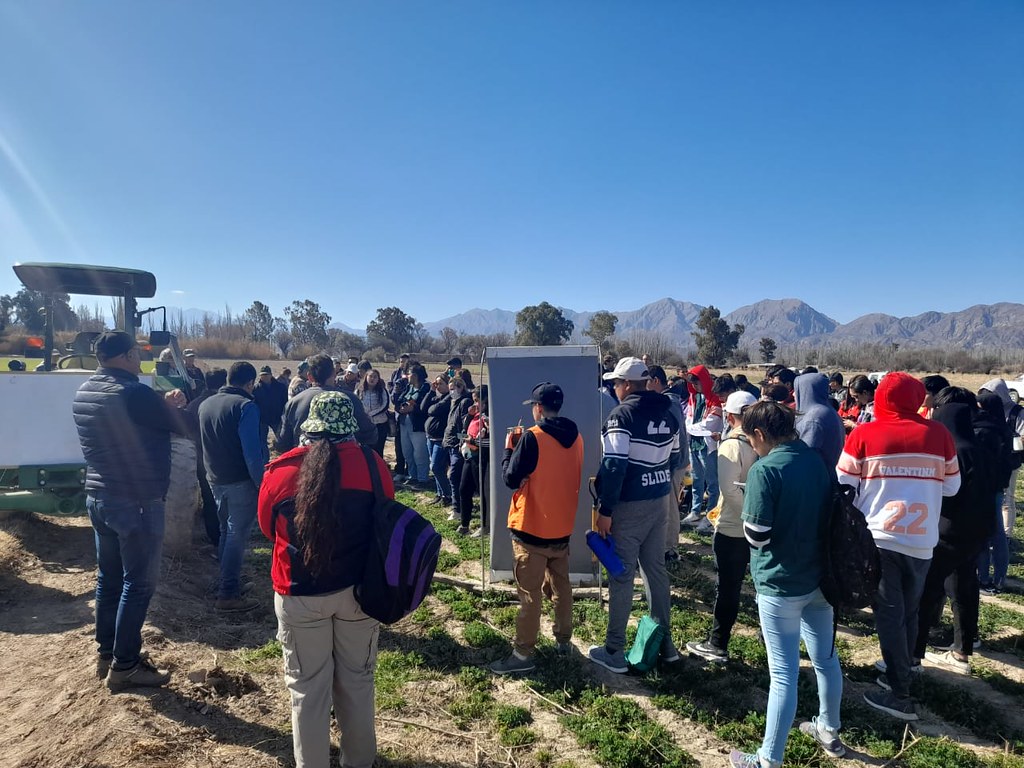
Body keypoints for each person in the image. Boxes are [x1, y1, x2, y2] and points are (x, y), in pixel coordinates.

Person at [258, 391, 392, 768]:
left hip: (300, 595)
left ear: (311, 428)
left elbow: (270, 530)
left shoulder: (281, 472)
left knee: (307, 692)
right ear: (350, 428)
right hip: (361, 593)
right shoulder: (373, 465)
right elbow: (385, 519)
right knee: (358, 684)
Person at [838, 372, 960, 721]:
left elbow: (843, 482)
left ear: (883, 400)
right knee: (908, 610)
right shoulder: (939, 435)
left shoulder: (865, 433)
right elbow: (952, 488)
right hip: (922, 540)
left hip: (880, 537)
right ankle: (902, 670)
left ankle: (899, 693)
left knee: (889, 613)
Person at [72, 331, 187, 690]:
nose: (140, 360)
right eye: (136, 354)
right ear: (126, 356)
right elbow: (180, 427)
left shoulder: (85, 391)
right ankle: (125, 665)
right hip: (136, 501)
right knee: (138, 584)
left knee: (108, 578)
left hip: (99, 497)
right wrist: (175, 406)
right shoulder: (133, 392)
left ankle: (106, 653)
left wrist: (160, 403)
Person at [729, 401, 841, 768]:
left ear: (760, 435)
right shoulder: (815, 459)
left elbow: (758, 536)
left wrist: (750, 501)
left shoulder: (765, 470)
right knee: (825, 659)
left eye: (750, 440)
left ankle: (768, 758)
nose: (752, 447)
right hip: (821, 580)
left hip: (780, 584)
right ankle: (829, 727)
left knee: (783, 675)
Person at [590, 357, 681, 673]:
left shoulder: (622, 415)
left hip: (629, 506)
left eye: (615, 382)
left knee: (622, 574)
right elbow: (674, 457)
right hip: (659, 501)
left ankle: (614, 650)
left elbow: (614, 465)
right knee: (655, 573)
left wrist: (605, 509)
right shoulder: (669, 412)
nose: (613, 388)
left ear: (627, 385)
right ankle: (666, 647)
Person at [490, 383, 584, 674]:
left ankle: (522, 654)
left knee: (530, 594)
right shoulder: (577, 436)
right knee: (561, 587)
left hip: (531, 527)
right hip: (561, 527)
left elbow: (510, 478)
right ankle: (564, 641)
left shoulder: (533, 437)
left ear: (539, 408)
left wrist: (510, 449)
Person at [913, 388, 1000, 674]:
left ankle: (912, 657)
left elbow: (946, 496)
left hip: (948, 533)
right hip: (978, 532)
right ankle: (962, 650)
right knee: (964, 586)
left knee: (927, 592)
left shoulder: (954, 452)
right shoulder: (979, 448)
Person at [687, 390, 757, 663]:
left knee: (728, 587)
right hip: (760, 529)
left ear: (730, 415)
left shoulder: (731, 446)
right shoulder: (762, 441)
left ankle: (718, 643)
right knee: (761, 588)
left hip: (733, 527)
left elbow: (729, 491)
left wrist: (749, 517)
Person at [199, 361, 267, 612]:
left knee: (227, 534)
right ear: (250, 383)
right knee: (236, 536)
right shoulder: (245, 406)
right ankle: (227, 595)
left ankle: (228, 582)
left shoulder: (206, 404)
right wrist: (262, 483)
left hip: (215, 479)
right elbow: (252, 452)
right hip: (240, 481)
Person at [279, 354, 377, 452]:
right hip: (344, 461)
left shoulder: (293, 403)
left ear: (309, 376)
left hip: (305, 461)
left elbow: (284, 443)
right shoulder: (350, 399)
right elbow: (370, 435)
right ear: (334, 373)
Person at [976, 389, 1017, 594]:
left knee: (985, 535)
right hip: (999, 486)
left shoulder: (983, 430)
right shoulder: (1005, 429)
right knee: (998, 534)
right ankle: (1000, 577)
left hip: (984, 488)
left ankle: (983, 578)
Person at [647, 365, 690, 561]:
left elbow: (674, 436)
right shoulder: (670, 400)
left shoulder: (668, 403)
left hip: (674, 462)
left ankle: (670, 549)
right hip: (675, 461)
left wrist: (671, 463)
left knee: (671, 505)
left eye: (647, 382)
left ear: (655, 380)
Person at [185, 367, 228, 547]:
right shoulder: (222, 404)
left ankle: (214, 536)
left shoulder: (194, 404)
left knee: (209, 497)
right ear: (224, 382)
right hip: (220, 459)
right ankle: (223, 536)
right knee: (223, 499)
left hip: (199, 457)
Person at [682, 365, 722, 529]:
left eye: (698, 383)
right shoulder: (694, 397)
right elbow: (689, 419)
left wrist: (688, 429)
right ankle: (695, 511)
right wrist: (689, 429)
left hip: (708, 446)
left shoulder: (715, 399)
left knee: (712, 482)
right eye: (693, 384)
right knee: (696, 479)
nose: (696, 387)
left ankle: (711, 515)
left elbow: (709, 425)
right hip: (694, 444)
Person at [458, 385, 491, 536]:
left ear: (485, 400)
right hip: (469, 456)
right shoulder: (475, 414)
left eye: (477, 400)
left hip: (481, 458)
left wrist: (474, 442)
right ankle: (465, 524)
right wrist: (470, 416)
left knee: (482, 492)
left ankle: (485, 526)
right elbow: (465, 430)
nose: (474, 404)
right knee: (464, 489)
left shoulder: (489, 417)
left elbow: (491, 442)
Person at [794, 372, 845, 468]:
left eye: (797, 390)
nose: (793, 394)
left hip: (817, 477)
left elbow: (806, 455)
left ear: (806, 390)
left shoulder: (814, 418)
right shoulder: (827, 410)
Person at [444, 375, 474, 523]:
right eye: (449, 389)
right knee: (453, 475)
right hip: (450, 443)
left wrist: (460, 441)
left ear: (461, 387)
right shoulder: (453, 402)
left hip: (458, 444)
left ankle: (457, 509)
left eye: (453, 389)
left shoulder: (464, 402)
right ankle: (457, 506)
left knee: (454, 476)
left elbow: (464, 423)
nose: (451, 392)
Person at [395, 363, 431, 489]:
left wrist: (412, 409)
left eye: (409, 373)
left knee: (419, 452)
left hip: (417, 425)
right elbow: (398, 400)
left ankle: (422, 478)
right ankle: (412, 476)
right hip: (404, 423)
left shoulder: (426, 388)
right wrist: (401, 408)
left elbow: (423, 406)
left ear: (415, 376)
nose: (407, 376)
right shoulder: (408, 387)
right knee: (407, 451)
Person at [422, 375, 453, 506]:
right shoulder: (437, 397)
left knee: (436, 467)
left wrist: (431, 409)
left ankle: (448, 495)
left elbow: (433, 409)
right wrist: (431, 391)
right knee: (436, 468)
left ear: (448, 385)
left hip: (441, 439)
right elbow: (423, 407)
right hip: (430, 438)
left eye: (441, 383)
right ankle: (440, 494)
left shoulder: (449, 398)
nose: (438, 386)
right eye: (437, 383)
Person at [356, 368, 390, 457]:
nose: (372, 379)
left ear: (378, 379)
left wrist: (371, 414)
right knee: (365, 449)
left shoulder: (382, 391)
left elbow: (385, 405)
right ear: (366, 377)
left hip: (380, 424)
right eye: (370, 376)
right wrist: (363, 415)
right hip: (365, 425)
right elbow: (355, 403)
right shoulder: (359, 390)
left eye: (375, 377)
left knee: (378, 450)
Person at [253, 365, 288, 444]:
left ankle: (280, 451)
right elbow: (254, 403)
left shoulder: (280, 387)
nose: (264, 377)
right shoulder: (256, 388)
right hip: (262, 419)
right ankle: (265, 455)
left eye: (266, 375)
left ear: (271, 375)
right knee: (262, 441)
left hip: (276, 417)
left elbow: (285, 401)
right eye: (262, 375)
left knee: (281, 439)